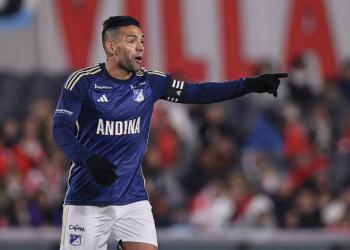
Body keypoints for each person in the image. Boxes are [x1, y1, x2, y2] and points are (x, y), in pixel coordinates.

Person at [52, 15, 287, 250]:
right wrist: (88, 159)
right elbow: (60, 129)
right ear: (111, 46)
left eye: (142, 40)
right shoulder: (82, 82)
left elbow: (200, 92)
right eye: (132, 40)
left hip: (132, 198)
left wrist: (249, 85)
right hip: (88, 199)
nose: (141, 46)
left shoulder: (151, 82)